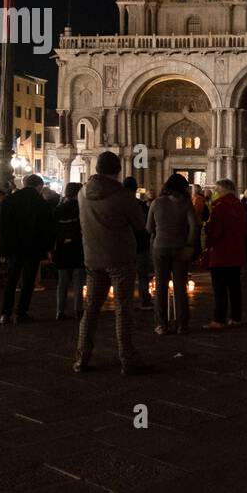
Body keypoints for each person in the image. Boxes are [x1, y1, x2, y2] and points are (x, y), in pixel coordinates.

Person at [75, 151, 153, 374]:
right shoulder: (123, 195)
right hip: (120, 257)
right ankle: (128, 359)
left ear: (97, 168)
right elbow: (140, 225)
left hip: (92, 257)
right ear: (118, 169)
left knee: (90, 309)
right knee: (123, 308)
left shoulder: (82, 193)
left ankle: (82, 358)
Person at [0, 174, 55, 324]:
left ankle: (5, 313)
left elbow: (0, 224)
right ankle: (21, 312)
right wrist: (48, 248)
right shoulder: (40, 202)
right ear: (39, 186)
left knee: (12, 278)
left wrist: (3, 246)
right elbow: (47, 228)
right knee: (29, 280)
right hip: (33, 247)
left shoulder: (10, 200)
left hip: (13, 246)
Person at [148, 173, 200, 335]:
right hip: (180, 247)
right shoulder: (185, 204)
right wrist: (190, 244)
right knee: (180, 286)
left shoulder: (156, 203)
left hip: (160, 248)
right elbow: (195, 225)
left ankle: (161, 324)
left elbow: (149, 227)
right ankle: (182, 324)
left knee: (161, 286)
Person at [203, 179, 247, 329]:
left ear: (223, 189)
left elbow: (215, 231)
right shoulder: (239, 206)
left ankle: (219, 319)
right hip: (236, 252)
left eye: (217, 189)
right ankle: (236, 317)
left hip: (221, 253)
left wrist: (207, 241)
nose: (215, 192)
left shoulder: (219, 206)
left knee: (220, 288)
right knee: (235, 287)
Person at [52, 182, 86, 320]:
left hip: (62, 248)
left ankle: (60, 311)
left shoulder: (58, 209)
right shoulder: (82, 209)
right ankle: (78, 310)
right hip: (78, 247)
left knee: (63, 281)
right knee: (78, 280)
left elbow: (53, 230)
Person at [123, 177, 154, 309]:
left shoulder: (117, 205)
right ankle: (144, 300)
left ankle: (125, 302)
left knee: (125, 277)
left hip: (123, 245)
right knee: (142, 275)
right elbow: (147, 225)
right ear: (135, 188)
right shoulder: (140, 205)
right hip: (140, 244)